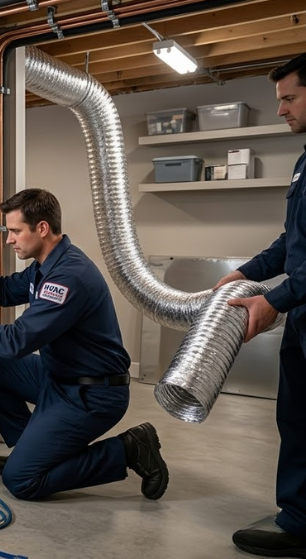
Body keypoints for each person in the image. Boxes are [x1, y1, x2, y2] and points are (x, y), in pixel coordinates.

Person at [0, 188, 168, 501]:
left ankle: (128, 449)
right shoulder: (45, 264)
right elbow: (5, 291)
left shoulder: (68, 276)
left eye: (14, 231)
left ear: (41, 228)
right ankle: (30, 449)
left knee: (21, 481)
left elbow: (16, 342)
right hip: (58, 376)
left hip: (92, 393)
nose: (9, 239)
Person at [214, 53, 306, 558]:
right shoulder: (304, 162)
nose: (280, 110)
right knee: (294, 418)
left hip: (299, 302)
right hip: (303, 314)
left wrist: (275, 299)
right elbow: (292, 240)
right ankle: (297, 519)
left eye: (289, 98)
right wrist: (247, 272)